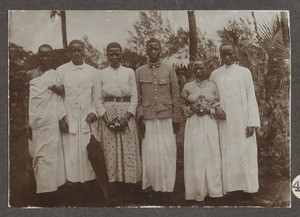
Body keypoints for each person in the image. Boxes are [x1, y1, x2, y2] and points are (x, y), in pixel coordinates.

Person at [209, 42, 260, 195]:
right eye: (224, 53)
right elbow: (211, 96)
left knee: (245, 150)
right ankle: (229, 188)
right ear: (220, 55)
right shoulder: (215, 74)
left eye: (230, 52)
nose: (227, 56)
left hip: (242, 119)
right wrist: (216, 107)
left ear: (235, 53)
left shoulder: (244, 72)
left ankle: (247, 187)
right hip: (224, 122)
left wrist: (251, 122)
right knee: (226, 151)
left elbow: (251, 97)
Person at [94, 42, 142, 190]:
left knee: (128, 148)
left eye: (117, 54)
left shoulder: (129, 72)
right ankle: (113, 186)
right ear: (107, 55)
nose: (114, 57)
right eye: (111, 54)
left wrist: (126, 118)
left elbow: (134, 97)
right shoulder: (100, 74)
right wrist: (107, 121)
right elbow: (97, 99)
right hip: (108, 114)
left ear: (121, 54)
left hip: (126, 113)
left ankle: (129, 185)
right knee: (110, 150)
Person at [135, 38, 181, 193]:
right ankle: (152, 185)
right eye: (150, 49)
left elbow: (175, 95)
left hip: (166, 117)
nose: (153, 52)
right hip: (148, 118)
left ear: (161, 50)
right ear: (146, 51)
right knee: (150, 152)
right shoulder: (139, 71)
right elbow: (139, 98)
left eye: (156, 49)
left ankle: (167, 186)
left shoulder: (169, 70)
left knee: (167, 151)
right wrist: (140, 117)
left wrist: (176, 119)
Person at [24, 44, 66, 200]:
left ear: (52, 57)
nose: (45, 58)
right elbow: (24, 100)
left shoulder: (55, 74)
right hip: (34, 122)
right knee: (36, 156)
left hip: (51, 122)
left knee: (50, 157)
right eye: (42, 55)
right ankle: (41, 191)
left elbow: (63, 92)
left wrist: (57, 90)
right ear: (38, 56)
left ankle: (52, 193)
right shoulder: (30, 74)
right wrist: (25, 122)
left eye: (48, 56)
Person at [55, 40, 98, 185]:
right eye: (73, 50)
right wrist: (61, 117)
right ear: (69, 53)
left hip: (87, 117)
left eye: (79, 50)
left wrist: (93, 112)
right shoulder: (60, 71)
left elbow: (96, 96)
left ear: (84, 51)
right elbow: (57, 97)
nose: (76, 53)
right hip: (70, 116)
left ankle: (90, 182)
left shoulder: (93, 71)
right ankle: (72, 183)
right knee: (71, 151)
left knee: (87, 149)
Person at [181, 58, 224, 202]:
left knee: (211, 153)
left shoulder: (213, 86)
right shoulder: (187, 86)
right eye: (196, 68)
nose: (199, 71)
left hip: (209, 123)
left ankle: (214, 190)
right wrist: (190, 109)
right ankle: (196, 191)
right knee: (195, 154)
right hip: (193, 124)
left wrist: (208, 109)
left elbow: (217, 108)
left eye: (202, 68)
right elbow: (182, 107)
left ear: (207, 69)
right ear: (193, 70)